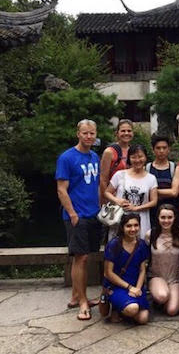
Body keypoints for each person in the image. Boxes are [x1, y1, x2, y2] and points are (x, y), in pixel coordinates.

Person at [56, 119, 103, 321]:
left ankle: (76, 295)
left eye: (92, 133)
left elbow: (97, 184)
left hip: (94, 214)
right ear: (78, 134)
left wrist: (101, 208)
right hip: (77, 216)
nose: (89, 137)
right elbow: (61, 189)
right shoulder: (67, 158)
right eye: (85, 133)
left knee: (88, 255)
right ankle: (83, 301)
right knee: (80, 258)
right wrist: (73, 214)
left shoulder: (94, 156)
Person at [103, 213, 150, 324]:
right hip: (118, 286)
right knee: (132, 309)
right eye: (129, 226)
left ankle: (122, 308)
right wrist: (129, 288)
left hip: (135, 285)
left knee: (143, 319)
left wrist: (137, 288)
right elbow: (108, 273)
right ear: (122, 227)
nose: (133, 229)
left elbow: (142, 269)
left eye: (136, 225)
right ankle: (117, 307)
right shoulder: (114, 245)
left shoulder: (142, 244)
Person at [104, 144, 158, 239]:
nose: (137, 160)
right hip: (121, 217)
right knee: (118, 246)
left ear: (145, 157)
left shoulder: (151, 178)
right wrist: (117, 201)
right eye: (133, 157)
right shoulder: (120, 175)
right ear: (129, 158)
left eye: (140, 156)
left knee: (140, 248)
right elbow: (107, 192)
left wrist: (136, 208)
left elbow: (154, 201)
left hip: (142, 219)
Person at [144, 203, 179, 316]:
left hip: (175, 279)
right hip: (156, 276)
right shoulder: (150, 235)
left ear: (175, 218)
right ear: (158, 218)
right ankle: (159, 297)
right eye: (163, 217)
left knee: (172, 310)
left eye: (170, 217)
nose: (166, 221)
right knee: (162, 296)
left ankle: (171, 297)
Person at [147, 135, 179, 230]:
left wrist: (153, 192)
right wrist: (166, 192)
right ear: (153, 150)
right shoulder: (147, 168)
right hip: (152, 212)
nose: (161, 151)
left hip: (171, 212)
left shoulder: (175, 168)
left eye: (164, 148)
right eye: (158, 148)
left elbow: (174, 192)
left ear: (169, 149)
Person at [100, 119, 134, 204]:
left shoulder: (133, 151)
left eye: (129, 131)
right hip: (113, 198)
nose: (126, 133)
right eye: (123, 131)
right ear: (117, 133)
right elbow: (103, 179)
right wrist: (106, 200)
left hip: (130, 197)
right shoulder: (110, 152)